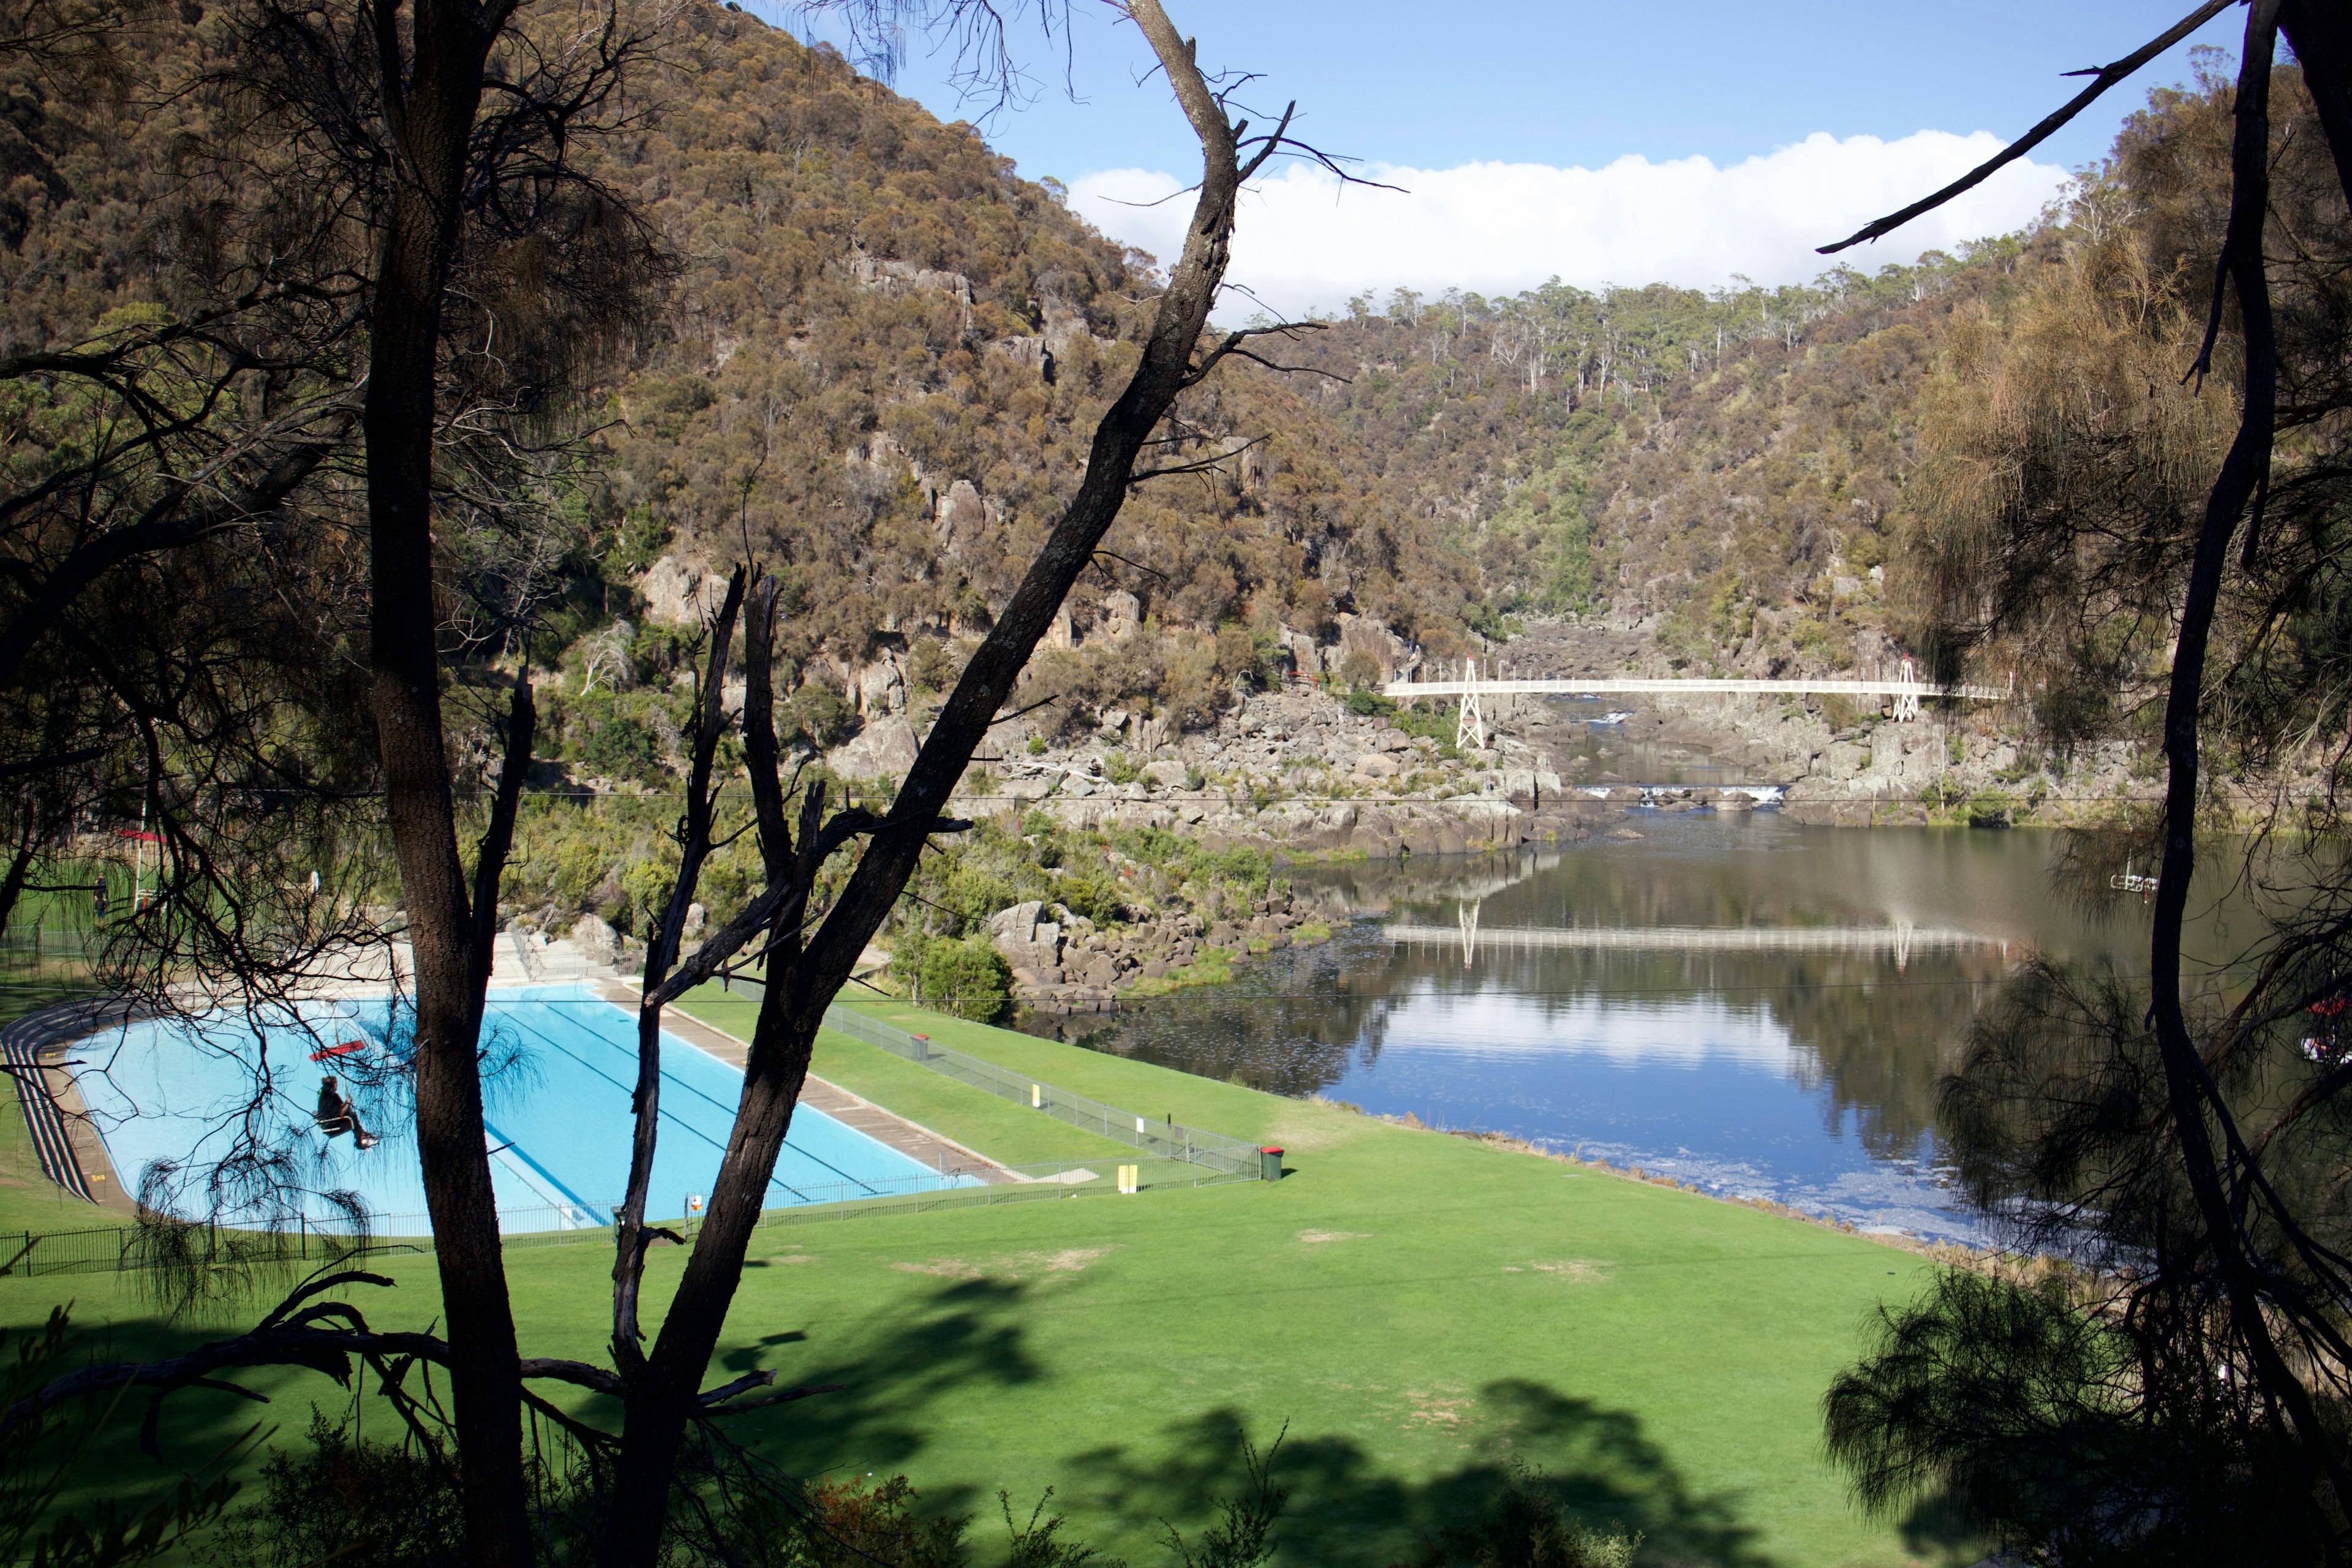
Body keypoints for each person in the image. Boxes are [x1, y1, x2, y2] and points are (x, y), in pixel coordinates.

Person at [314, 1075, 379, 1149]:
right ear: (333, 1084)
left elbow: (342, 1108)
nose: (337, 1086)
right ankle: (362, 1138)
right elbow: (340, 1112)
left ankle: (362, 1136)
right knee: (352, 1116)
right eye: (336, 1084)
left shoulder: (328, 1096)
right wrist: (347, 1103)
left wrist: (347, 1103)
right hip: (331, 1123)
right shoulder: (329, 1096)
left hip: (331, 1122)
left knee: (351, 1115)